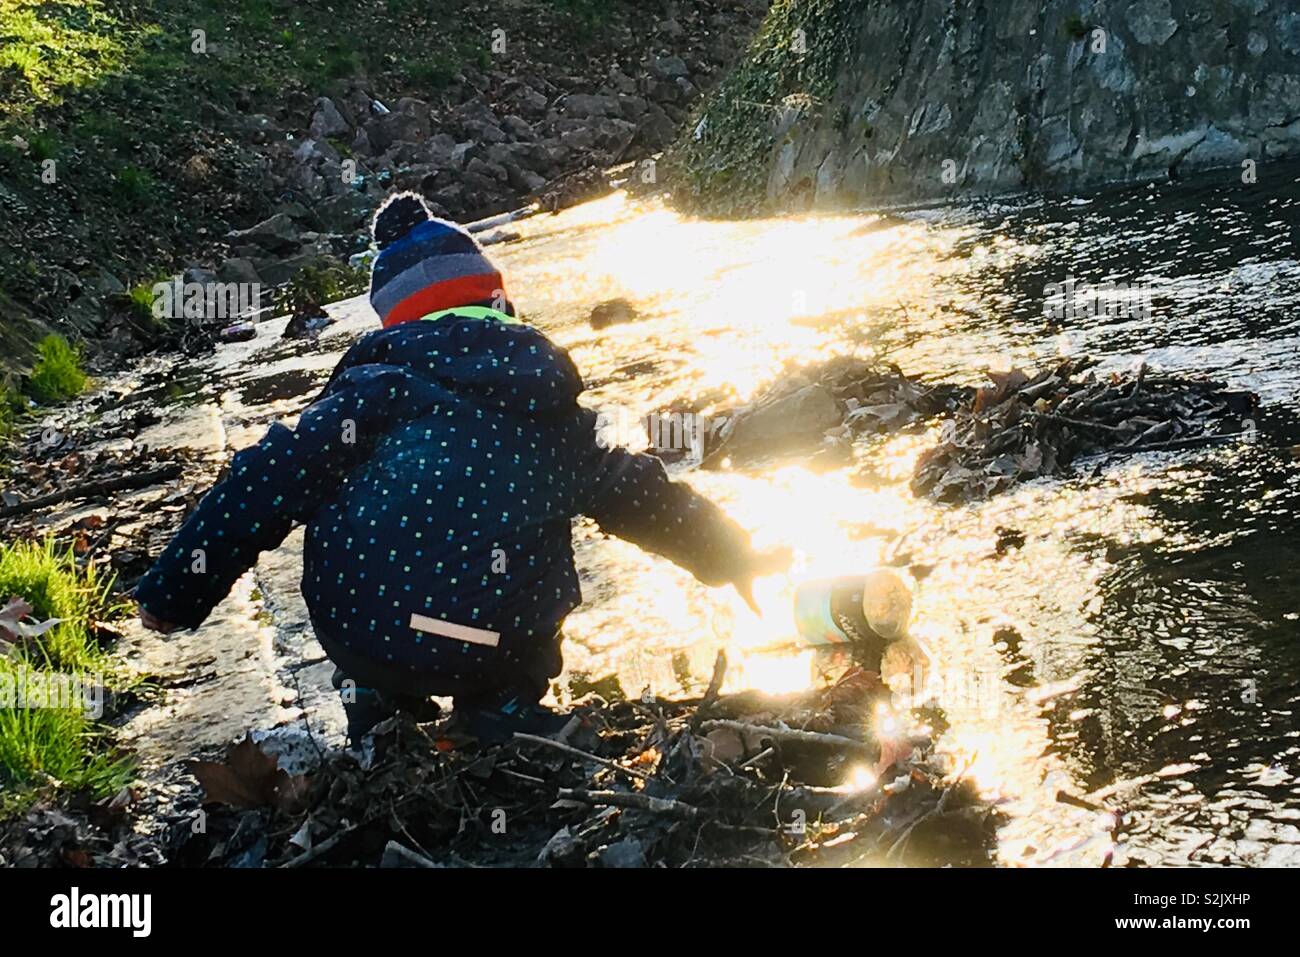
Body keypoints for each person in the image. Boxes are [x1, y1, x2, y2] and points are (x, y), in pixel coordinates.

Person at [136, 191, 787, 744]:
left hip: (373, 635)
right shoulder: (549, 404)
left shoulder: (366, 393)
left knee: (325, 494)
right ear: (500, 302)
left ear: (394, 320)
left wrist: (174, 593)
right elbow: (642, 494)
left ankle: (376, 697)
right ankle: (501, 701)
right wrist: (732, 555)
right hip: (490, 643)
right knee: (540, 515)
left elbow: (261, 481)